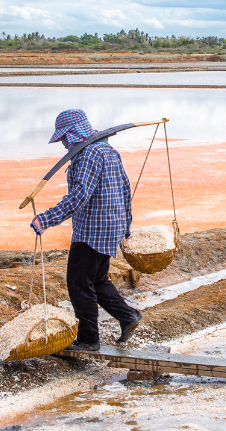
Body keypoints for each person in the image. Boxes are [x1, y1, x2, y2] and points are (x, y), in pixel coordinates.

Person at [31, 109, 142, 350]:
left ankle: (89, 339)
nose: (63, 144)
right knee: (98, 279)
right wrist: (126, 222)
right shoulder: (107, 150)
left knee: (79, 283)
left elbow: (79, 197)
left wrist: (46, 219)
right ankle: (128, 317)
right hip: (111, 225)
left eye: (63, 138)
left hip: (93, 230)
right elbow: (125, 188)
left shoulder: (88, 155)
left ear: (73, 133)